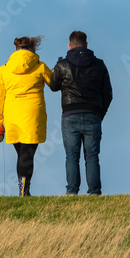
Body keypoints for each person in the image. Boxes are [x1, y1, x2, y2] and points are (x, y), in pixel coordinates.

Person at [49, 30, 112, 195]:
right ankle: (94, 192)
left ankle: (71, 191)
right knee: (92, 156)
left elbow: (53, 86)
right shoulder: (99, 64)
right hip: (93, 115)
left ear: (69, 45)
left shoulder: (63, 65)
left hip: (70, 115)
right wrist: (99, 114)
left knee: (71, 156)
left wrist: (57, 67)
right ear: (86, 45)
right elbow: (108, 94)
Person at [0, 36, 53, 197]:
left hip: (12, 115)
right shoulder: (40, 66)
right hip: (32, 113)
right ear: (33, 48)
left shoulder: (4, 69)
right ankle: (24, 191)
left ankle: (23, 190)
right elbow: (54, 83)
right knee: (27, 155)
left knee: (22, 154)